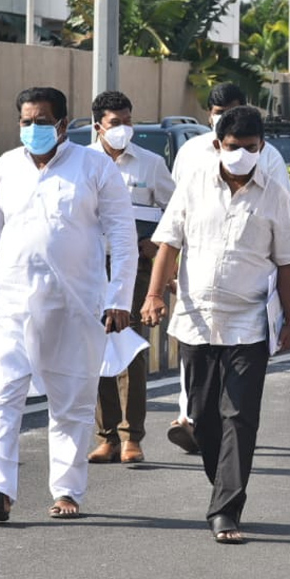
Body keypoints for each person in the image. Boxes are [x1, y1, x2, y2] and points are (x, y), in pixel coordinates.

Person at [0, 87, 136, 522]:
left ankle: (67, 491)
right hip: (10, 304)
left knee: (71, 403)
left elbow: (122, 235)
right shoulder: (5, 168)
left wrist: (119, 298)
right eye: (26, 121)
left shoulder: (94, 167)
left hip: (76, 307)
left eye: (42, 121)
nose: (33, 129)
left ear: (62, 124)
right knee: (5, 394)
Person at [141, 106, 290, 542]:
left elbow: (285, 263)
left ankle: (227, 507)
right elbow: (168, 244)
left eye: (251, 148)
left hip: (249, 321)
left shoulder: (274, 196)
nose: (242, 156)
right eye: (234, 148)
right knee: (204, 418)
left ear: (262, 147)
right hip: (195, 320)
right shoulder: (193, 184)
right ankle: (223, 487)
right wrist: (154, 295)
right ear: (218, 145)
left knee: (240, 415)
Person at [168, 82, 290, 453]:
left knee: (236, 395)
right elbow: (176, 220)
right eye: (219, 112)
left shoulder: (266, 158)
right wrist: (169, 276)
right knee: (195, 362)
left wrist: (288, 307)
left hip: (247, 290)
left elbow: (281, 218)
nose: (239, 152)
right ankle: (190, 418)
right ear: (211, 116)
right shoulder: (191, 153)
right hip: (199, 280)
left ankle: (219, 428)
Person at [86, 90, 175, 465]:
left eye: (127, 121)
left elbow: (176, 213)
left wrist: (153, 245)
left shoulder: (151, 164)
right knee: (96, 350)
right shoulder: (82, 163)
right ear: (97, 127)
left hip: (135, 270)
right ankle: (105, 436)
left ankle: (131, 435)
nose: (123, 129)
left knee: (131, 351)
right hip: (91, 268)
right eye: (114, 123)